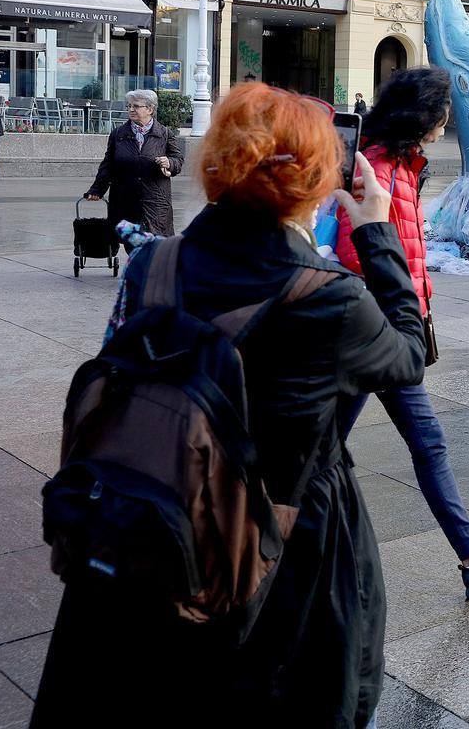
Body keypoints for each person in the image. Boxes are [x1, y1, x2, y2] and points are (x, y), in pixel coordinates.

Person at [34, 83, 428, 728]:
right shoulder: (331, 299)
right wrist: (379, 232)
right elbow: (408, 354)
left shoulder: (152, 266)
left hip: (152, 523)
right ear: (316, 181)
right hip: (285, 546)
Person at [334, 69, 469, 599]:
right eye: (442, 112)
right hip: (372, 335)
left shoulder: (399, 165)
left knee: (335, 447)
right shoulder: (377, 167)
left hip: (381, 332)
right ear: (421, 116)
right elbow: (356, 248)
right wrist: (400, 315)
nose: (448, 121)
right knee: (339, 449)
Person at [84, 89, 184, 240]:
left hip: (155, 200)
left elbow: (178, 159)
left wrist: (169, 162)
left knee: (156, 242)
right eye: (129, 106)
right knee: (133, 243)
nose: (131, 109)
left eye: (136, 106)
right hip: (125, 200)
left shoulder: (164, 134)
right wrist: (97, 189)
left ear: (150, 109)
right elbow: (108, 165)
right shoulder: (118, 134)